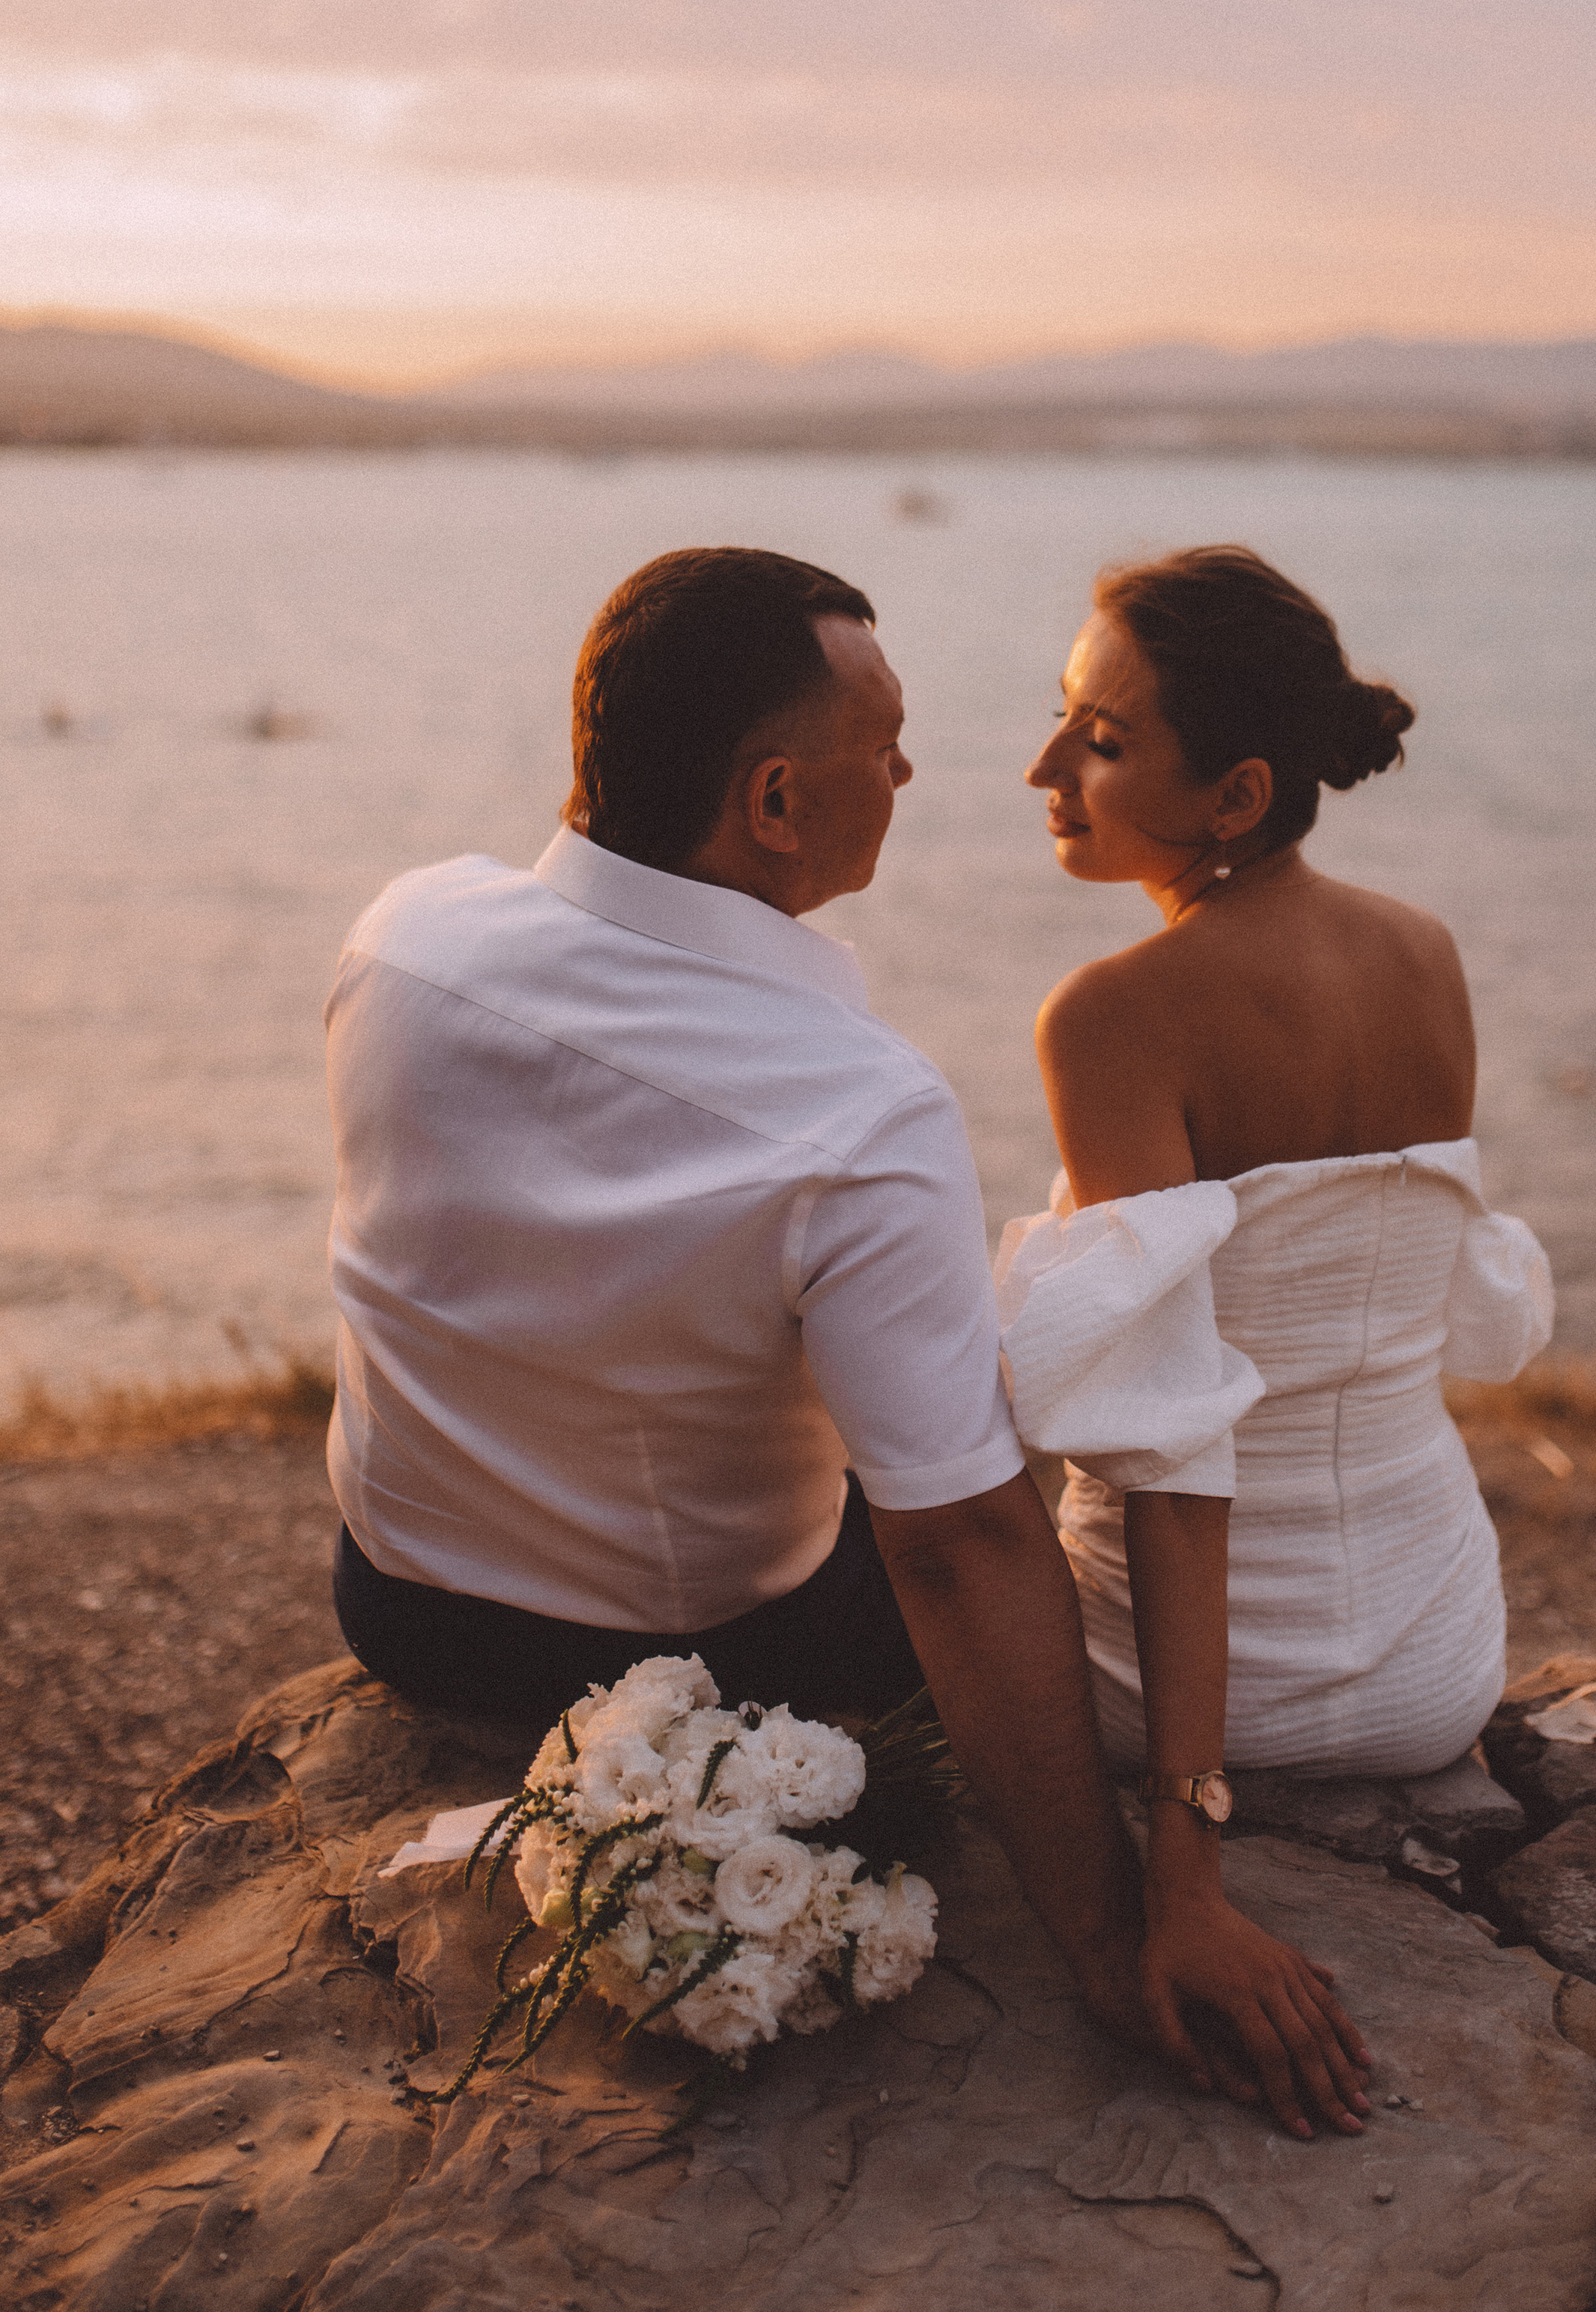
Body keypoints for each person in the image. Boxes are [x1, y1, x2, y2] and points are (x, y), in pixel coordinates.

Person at [323, 542, 1370, 2132]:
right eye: (878, 742)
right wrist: (1105, 1936)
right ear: (774, 805)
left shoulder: (402, 933)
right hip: (685, 1649)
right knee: (978, 1447)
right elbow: (954, 1548)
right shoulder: (855, 1107)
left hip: (396, 1597)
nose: (908, 764)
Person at [998, 544, 1551, 2094]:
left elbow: (1177, 1450)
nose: (1043, 766)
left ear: (1233, 796)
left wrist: (1183, 1871)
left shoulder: (1111, 1014)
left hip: (1182, 1692)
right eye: (1060, 719)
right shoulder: (1422, 954)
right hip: (1436, 1661)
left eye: (1099, 742)